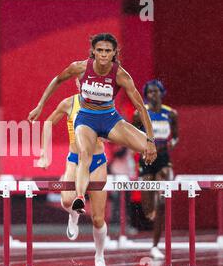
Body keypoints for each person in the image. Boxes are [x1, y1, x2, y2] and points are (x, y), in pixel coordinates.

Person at [28, 33, 157, 215]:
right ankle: (80, 197)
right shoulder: (79, 68)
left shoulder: (121, 75)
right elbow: (57, 80)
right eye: (100, 50)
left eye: (107, 51)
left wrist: (151, 140)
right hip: (86, 119)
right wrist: (40, 105)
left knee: (147, 146)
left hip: (110, 119)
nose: (103, 54)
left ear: (114, 53)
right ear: (93, 52)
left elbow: (141, 108)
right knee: (85, 154)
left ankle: (150, 195)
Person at [37, 93, 108, 266]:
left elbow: (118, 129)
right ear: (78, 82)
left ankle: (99, 257)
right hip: (75, 159)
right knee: (67, 201)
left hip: (97, 161)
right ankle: (73, 215)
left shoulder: (105, 102)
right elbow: (47, 123)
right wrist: (45, 155)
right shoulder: (69, 103)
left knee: (98, 219)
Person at [133, 79, 178, 259]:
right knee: (147, 208)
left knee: (161, 203)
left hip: (164, 159)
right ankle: (151, 212)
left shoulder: (171, 114)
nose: (153, 95)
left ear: (162, 93)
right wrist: (144, 148)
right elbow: (132, 135)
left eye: (156, 91)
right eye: (150, 92)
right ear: (146, 95)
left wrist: (167, 146)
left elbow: (176, 137)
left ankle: (155, 245)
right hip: (146, 159)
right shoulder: (139, 114)